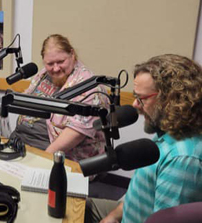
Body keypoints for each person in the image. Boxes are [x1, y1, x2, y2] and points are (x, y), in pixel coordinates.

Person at [85, 54, 202, 223]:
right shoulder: (169, 131)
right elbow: (141, 189)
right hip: (124, 213)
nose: (135, 104)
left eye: (141, 98)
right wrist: (113, 216)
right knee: (68, 203)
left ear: (171, 100)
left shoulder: (182, 159)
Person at [10, 34, 107, 162]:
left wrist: (41, 161)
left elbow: (76, 133)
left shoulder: (90, 87)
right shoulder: (44, 73)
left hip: (61, 156)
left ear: (72, 54)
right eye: (50, 63)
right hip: (23, 143)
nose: (55, 68)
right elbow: (29, 96)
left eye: (61, 62)